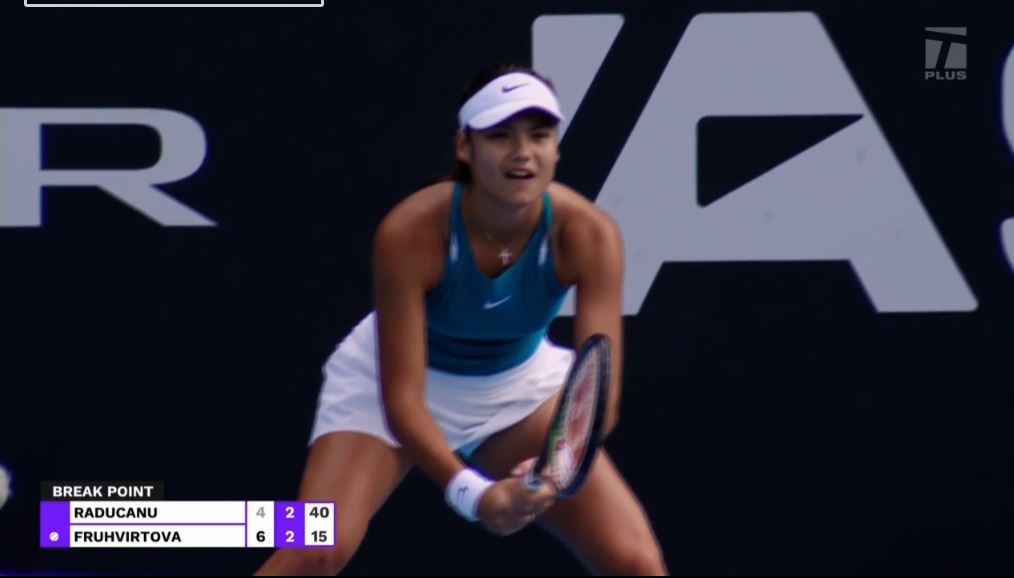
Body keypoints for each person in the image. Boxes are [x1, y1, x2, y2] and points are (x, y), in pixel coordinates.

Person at [256, 65, 668, 576]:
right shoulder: (410, 232)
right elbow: (404, 399)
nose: (523, 152)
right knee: (317, 544)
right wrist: (474, 496)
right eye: (500, 136)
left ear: (556, 150)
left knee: (636, 563)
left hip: (518, 392)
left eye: (539, 135)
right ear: (464, 147)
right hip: (392, 383)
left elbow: (600, 395)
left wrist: (552, 471)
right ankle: (190, 527)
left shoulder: (589, 234)